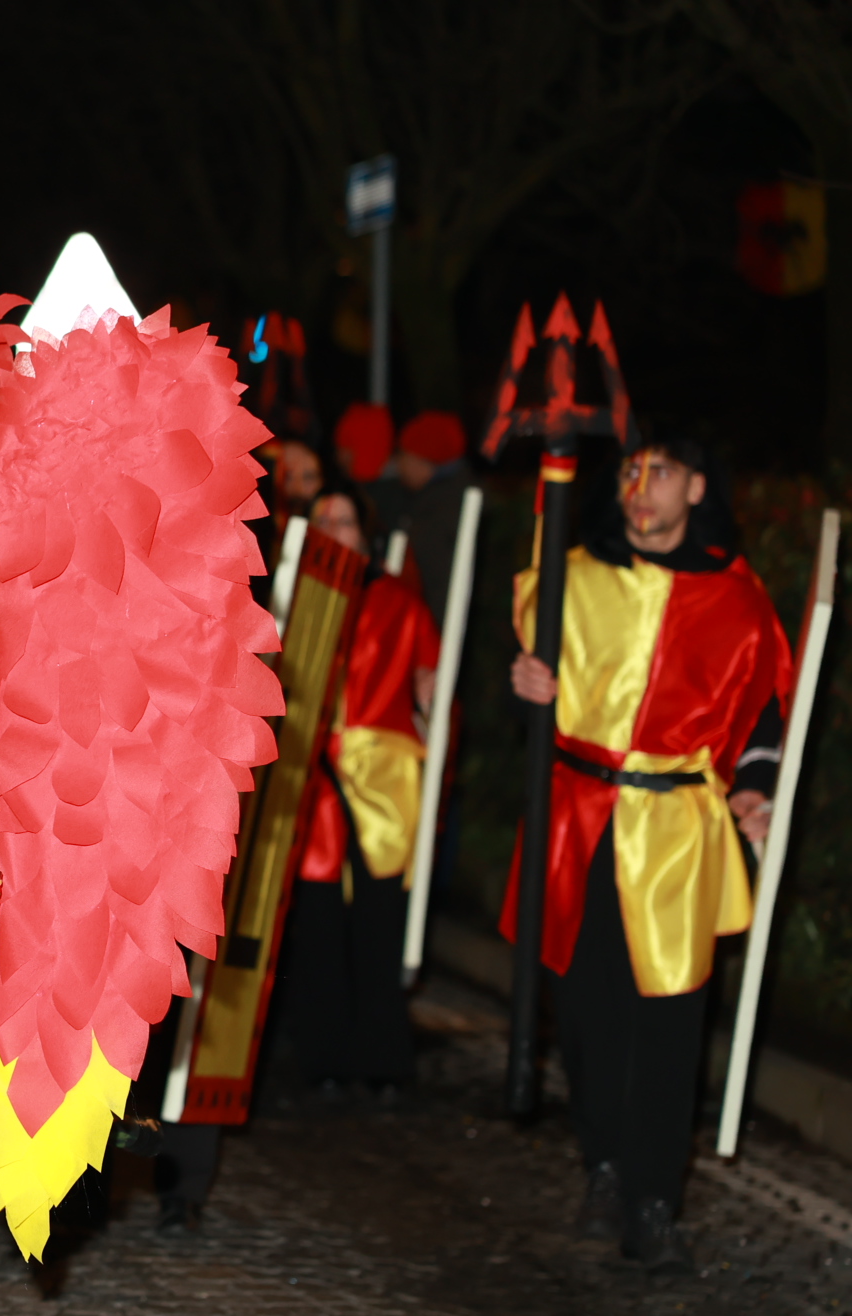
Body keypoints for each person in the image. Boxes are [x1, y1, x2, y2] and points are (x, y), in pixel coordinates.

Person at [506, 437, 788, 1270]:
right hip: (579, 817)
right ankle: (602, 1163)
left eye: (660, 472)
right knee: (584, 1011)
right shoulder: (576, 577)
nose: (640, 486)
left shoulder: (737, 599)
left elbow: (764, 712)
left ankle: (654, 1200)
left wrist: (755, 788)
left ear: (697, 487)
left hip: (674, 831)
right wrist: (526, 685)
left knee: (668, 1017)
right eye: (631, 470)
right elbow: (533, 678)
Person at [274, 486, 439, 1098]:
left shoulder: (400, 602)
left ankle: (382, 1058)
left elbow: (431, 688)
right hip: (313, 781)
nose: (332, 530)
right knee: (317, 922)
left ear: (366, 537)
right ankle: (323, 1056)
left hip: (383, 783)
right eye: (322, 520)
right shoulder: (293, 602)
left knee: (377, 923)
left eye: (344, 521)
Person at [391, 410, 478, 625]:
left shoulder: (437, 513)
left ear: (419, 460)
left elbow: (437, 586)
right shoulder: (457, 495)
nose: (398, 464)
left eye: (402, 454)